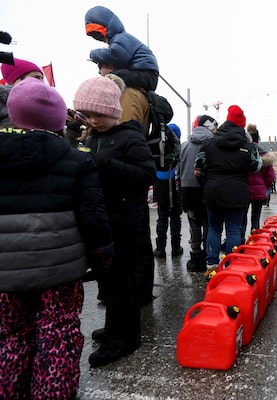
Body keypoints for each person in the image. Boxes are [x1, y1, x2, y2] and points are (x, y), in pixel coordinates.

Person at [0, 78, 113, 399]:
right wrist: (103, 258)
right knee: (58, 334)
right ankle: (52, 392)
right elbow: (93, 217)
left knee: (10, 335)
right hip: (60, 270)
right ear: (56, 120)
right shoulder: (75, 159)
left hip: (5, 272)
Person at [73, 76, 156, 367]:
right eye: (88, 115)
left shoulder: (130, 137)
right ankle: (114, 328)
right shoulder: (94, 138)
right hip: (103, 219)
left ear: (112, 110)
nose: (93, 121)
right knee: (109, 282)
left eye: (98, 114)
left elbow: (147, 174)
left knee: (123, 283)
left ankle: (125, 339)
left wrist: (106, 164)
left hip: (124, 221)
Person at [195, 105, 262, 277]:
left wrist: (207, 182)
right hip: (237, 193)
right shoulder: (248, 146)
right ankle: (231, 266)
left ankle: (211, 264)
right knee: (233, 230)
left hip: (213, 192)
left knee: (214, 228)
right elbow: (256, 167)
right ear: (242, 125)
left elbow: (199, 166)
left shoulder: (209, 143)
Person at [85, 6, 159, 91]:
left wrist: (93, 54)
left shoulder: (121, 38)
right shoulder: (121, 38)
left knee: (114, 77)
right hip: (145, 73)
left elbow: (115, 55)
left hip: (145, 73)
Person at [180, 115, 218, 272]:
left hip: (187, 190)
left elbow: (178, 170)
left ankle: (195, 257)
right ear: (210, 127)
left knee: (194, 223)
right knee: (208, 223)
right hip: (205, 189)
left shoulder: (184, 145)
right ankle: (208, 257)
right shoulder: (213, 145)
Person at [151, 123, 183, 258]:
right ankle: (176, 247)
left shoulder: (160, 147)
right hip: (174, 183)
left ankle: (160, 248)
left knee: (162, 217)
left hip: (160, 183)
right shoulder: (177, 147)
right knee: (175, 217)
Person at [241, 124, 276, 241]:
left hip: (244, 190)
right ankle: (255, 242)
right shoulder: (264, 154)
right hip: (259, 191)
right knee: (255, 219)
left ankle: (240, 241)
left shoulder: (243, 151)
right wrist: (264, 186)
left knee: (242, 219)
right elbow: (271, 176)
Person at [1, 57, 45, 127]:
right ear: (16, 81)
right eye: (36, 77)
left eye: (42, 78)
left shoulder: (47, 108)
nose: (42, 82)